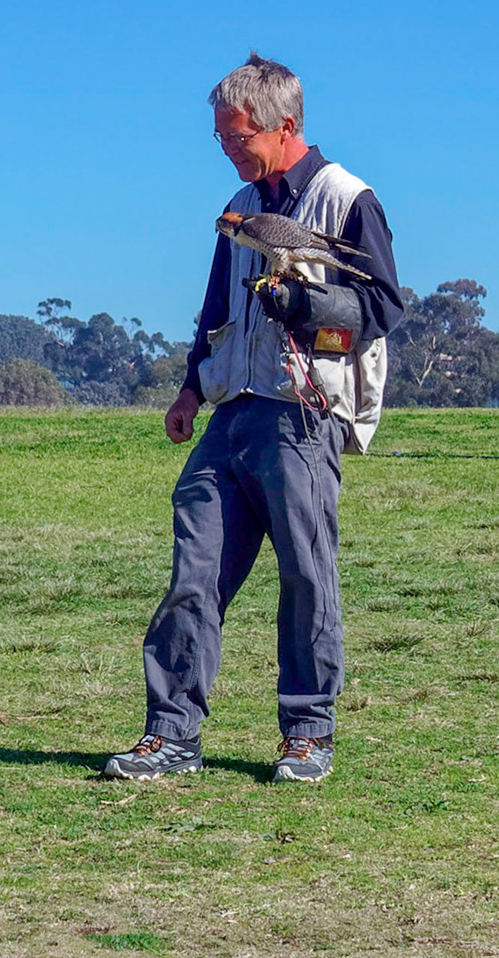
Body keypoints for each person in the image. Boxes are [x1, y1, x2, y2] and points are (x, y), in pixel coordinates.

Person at [104, 54, 402, 783]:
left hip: (303, 412)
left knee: (306, 573)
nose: (229, 150)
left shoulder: (347, 197)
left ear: (287, 125)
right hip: (231, 410)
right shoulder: (241, 203)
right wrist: (188, 391)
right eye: (221, 138)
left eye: (238, 137)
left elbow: (384, 308)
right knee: (193, 571)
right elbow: (214, 309)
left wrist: (307, 306)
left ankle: (309, 734)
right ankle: (171, 734)